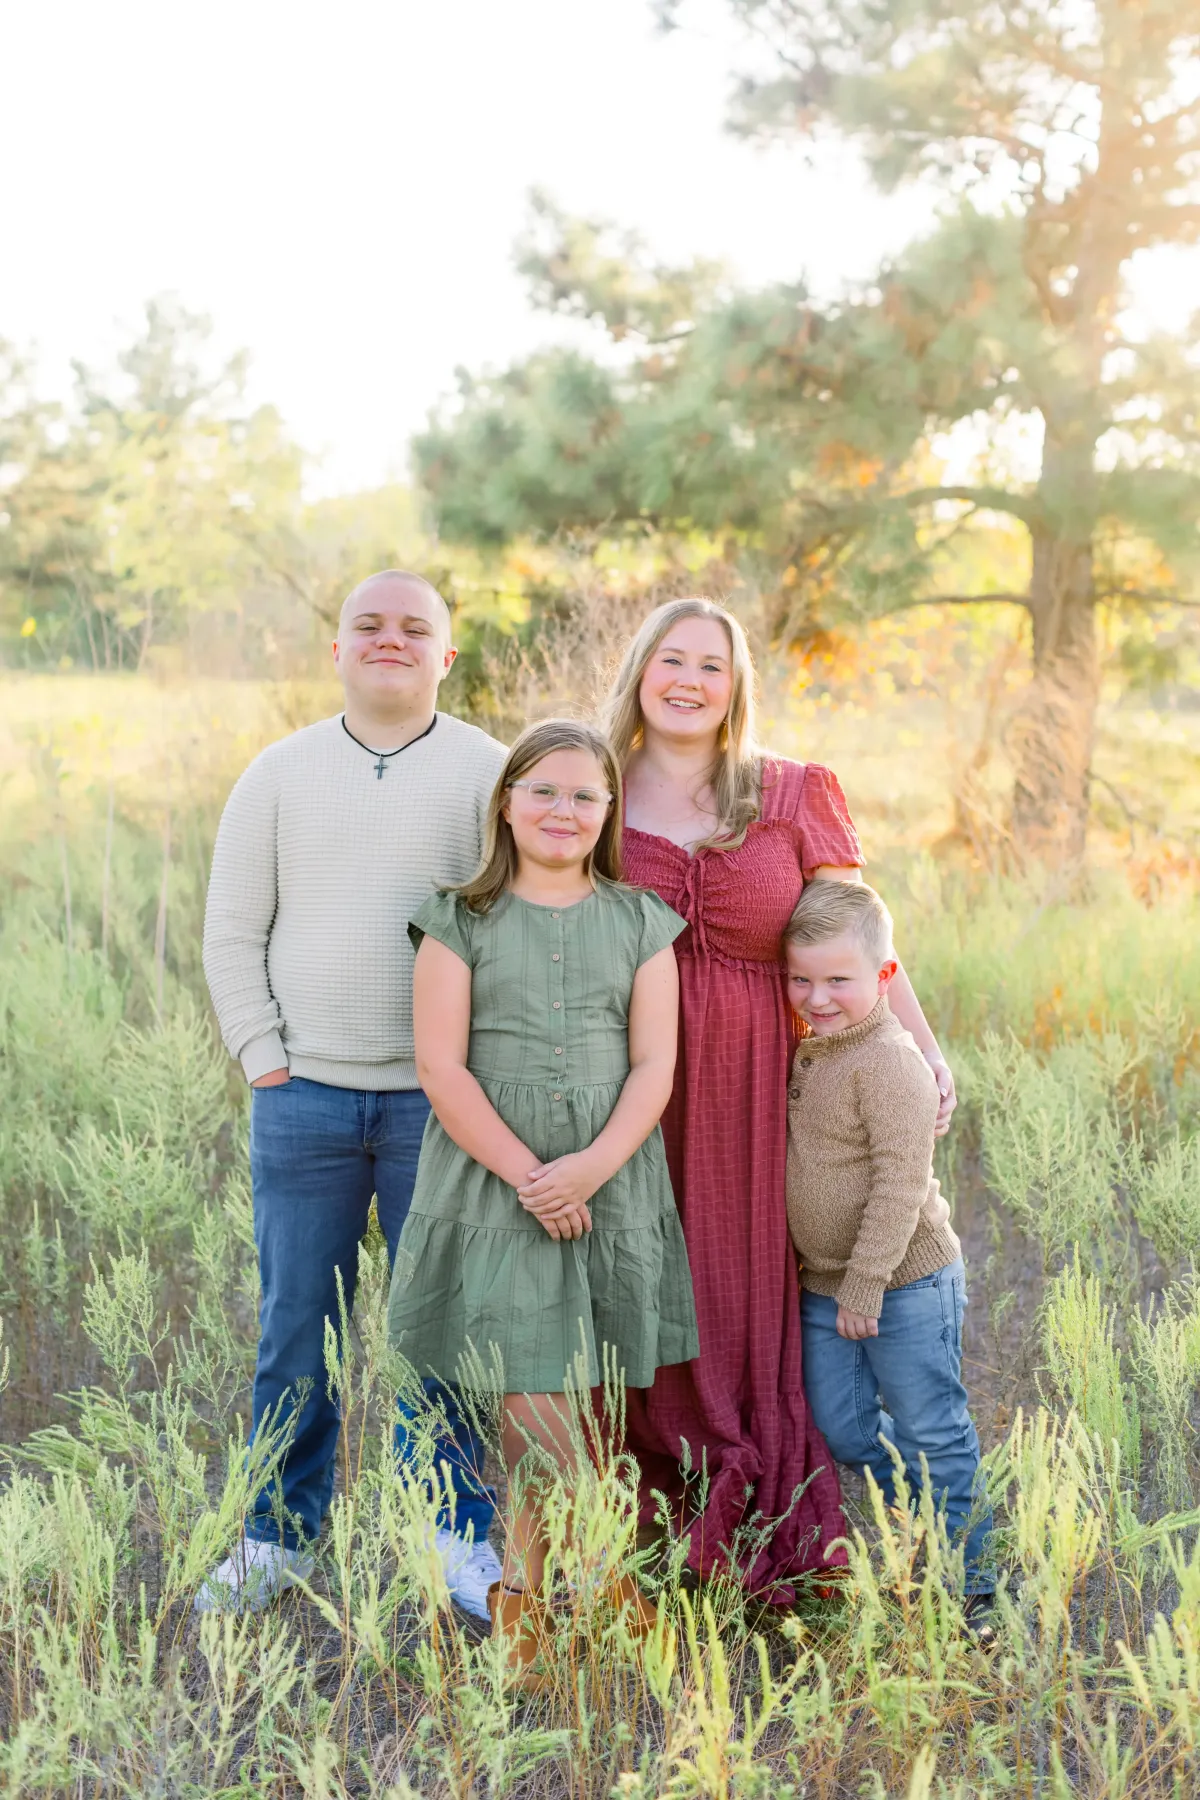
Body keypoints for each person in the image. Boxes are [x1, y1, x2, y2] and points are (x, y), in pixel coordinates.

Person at [607, 596, 957, 1599]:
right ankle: (649, 1521)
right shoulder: (593, 787)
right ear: (639, 672)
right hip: (634, 1080)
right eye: (668, 659)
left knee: (743, 1286)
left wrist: (923, 1053)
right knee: (648, 1279)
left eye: (710, 665)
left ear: (736, 685)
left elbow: (863, 941)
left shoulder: (794, 792)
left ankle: (760, 1527)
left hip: (769, 1088)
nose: (687, 680)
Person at [198, 569, 507, 1617]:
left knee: (441, 1328)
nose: (391, 639)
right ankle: (279, 1536)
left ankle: (454, 1536)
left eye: (414, 628)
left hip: (441, 1107)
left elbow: (519, 926)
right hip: (306, 1100)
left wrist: (480, 1078)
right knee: (296, 1331)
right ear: (336, 650)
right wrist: (263, 1060)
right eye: (368, 625)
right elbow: (234, 930)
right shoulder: (278, 774)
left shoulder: (491, 774)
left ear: (446, 656)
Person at [386, 719, 699, 1685]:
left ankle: (523, 1613)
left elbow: (656, 1065)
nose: (563, 811)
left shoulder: (642, 921)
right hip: (496, 1186)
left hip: (609, 1180)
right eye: (543, 791)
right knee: (531, 1397)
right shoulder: (458, 919)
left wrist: (591, 1168)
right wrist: (532, 1173)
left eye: (584, 797)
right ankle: (603, 1578)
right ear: (508, 802)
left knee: (575, 1394)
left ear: (608, 814)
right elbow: (441, 1067)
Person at [783, 879, 993, 1616]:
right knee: (840, 1425)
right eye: (800, 978)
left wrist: (867, 1284)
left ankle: (974, 1584)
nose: (817, 996)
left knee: (934, 1425)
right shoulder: (813, 1051)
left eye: (838, 979)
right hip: (824, 1285)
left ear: (883, 977)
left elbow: (903, 1182)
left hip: (904, 1283)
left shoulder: (890, 1062)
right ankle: (925, 1516)